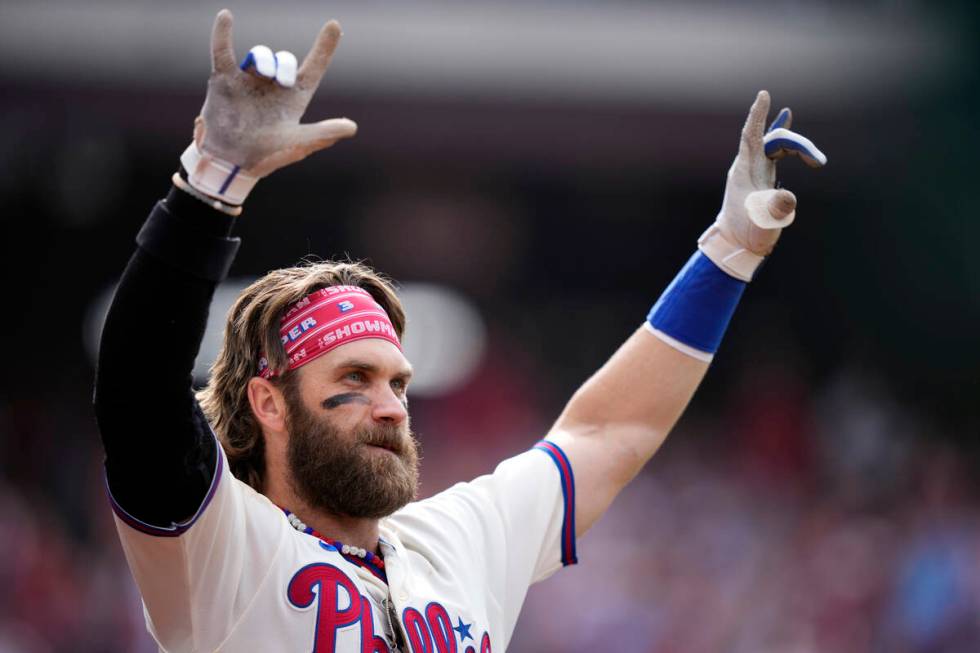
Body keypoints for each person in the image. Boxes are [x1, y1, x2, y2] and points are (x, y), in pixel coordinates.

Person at [93, 9, 825, 653]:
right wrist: (211, 182)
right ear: (270, 402)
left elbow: (605, 432)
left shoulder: (453, 543)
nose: (390, 405)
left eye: (397, 382)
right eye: (353, 379)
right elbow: (137, 391)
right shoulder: (217, 547)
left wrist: (727, 253)